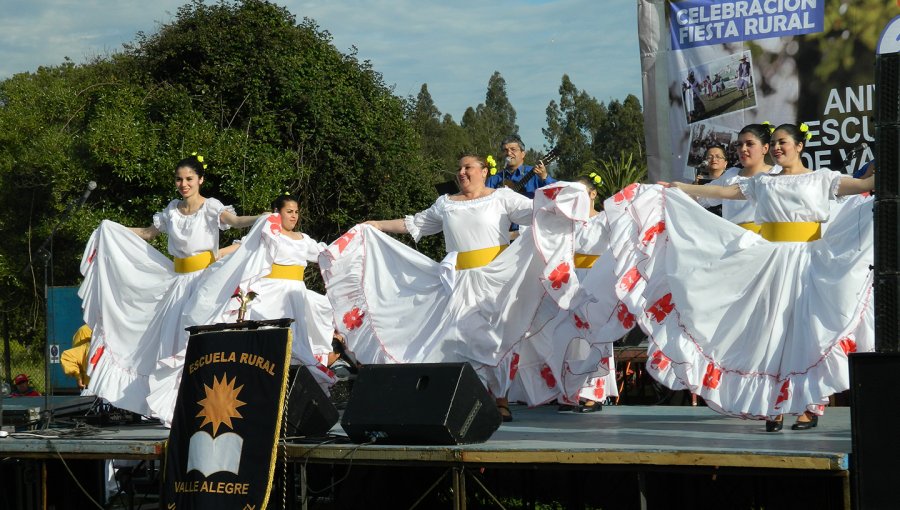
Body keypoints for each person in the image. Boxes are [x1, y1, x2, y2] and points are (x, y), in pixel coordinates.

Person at [629, 122, 874, 431]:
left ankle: (810, 405)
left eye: (783, 142)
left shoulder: (823, 179)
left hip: (808, 261)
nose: (777, 148)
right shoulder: (764, 183)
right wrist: (685, 188)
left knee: (807, 331)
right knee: (768, 331)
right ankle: (772, 405)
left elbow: (865, 186)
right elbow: (724, 191)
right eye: (773, 143)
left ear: (799, 146)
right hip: (771, 261)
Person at [322, 154, 588, 422]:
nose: (461, 172)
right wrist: (377, 225)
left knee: (495, 338)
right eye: (459, 168)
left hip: (495, 279)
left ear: (484, 171)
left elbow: (537, 212)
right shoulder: (446, 204)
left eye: (468, 168)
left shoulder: (501, 198)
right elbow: (415, 223)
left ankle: (500, 399)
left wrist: (564, 198)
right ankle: (457, 398)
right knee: (455, 339)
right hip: (457, 281)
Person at [79, 154, 261, 420]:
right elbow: (147, 233)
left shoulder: (211, 207)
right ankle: (175, 407)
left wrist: (261, 217)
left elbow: (234, 222)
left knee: (199, 339)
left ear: (200, 180)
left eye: (189, 179)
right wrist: (113, 229)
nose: (184, 184)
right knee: (172, 344)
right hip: (178, 283)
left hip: (205, 282)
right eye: (179, 179)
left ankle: (207, 401)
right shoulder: (172, 211)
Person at [215, 194, 337, 391]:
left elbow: (327, 254)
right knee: (274, 339)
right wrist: (218, 254)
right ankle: (265, 387)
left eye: (296, 212)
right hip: (271, 295)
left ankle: (294, 391)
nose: (294, 216)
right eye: (289, 211)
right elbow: (242, 247)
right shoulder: (269, 234)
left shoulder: (304, 240)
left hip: (295, 296)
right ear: (276, 213)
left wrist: (353, 243)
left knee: (297, 340)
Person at [697, 124, 779, 230]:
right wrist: (672, 191)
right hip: (731, 240)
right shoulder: (731, 175)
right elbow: (702, 197)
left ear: (765, 148)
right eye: (739, 144)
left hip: (763, 242)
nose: (743, 149)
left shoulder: (777, 174)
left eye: (750, 144)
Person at [485, 135, 556, 199]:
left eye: (513, 149)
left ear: (523, 154)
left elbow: (556, 193)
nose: (509, 153)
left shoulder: (536, 174)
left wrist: (544, 177)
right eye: (505, 150)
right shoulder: (494, 180)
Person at [61, 324, 92, 390]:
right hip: (90, 385)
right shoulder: (84, 331)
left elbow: (70, 357)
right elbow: (73, 358)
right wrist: (79, 377)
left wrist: (78, 377)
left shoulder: (84, 331)